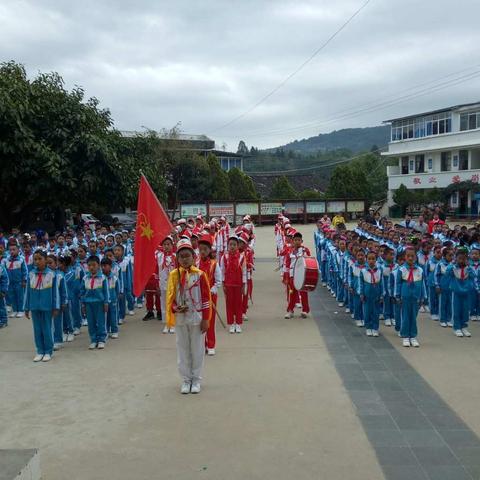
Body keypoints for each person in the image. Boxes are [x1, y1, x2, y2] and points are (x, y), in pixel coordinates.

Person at [166, 238, 211, 394]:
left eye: (187, 255)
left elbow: (206, 299)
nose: (184, 259)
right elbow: (170, 297)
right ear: (177, 259)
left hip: (196, 318)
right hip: (180, 318)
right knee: (183, 349)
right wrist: (174, 308)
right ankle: (186, 380)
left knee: (197, 349)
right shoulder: (173, 275)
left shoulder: (200, 275)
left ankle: (196, 379)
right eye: (181, 256)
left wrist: (206, 319)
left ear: (194, 256)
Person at [24, 249, 60, 362]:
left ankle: (48, 351)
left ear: (45, 260)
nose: (37, 261)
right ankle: (40, 350)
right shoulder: (31, 274)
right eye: (35, 259)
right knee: (37, 329)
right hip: (34, 306)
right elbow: (27, 292)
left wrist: (55, 307)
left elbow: (55, 293)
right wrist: (26, 307)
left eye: (40, 259)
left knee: (47, 329)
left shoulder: (51, 274)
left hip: (47, 306)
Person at [394, 247, 427, 347]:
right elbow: (398, 284)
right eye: (408, 256)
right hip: (405, 296)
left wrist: (423, 297)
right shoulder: (401, 269)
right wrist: (398, 296)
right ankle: (405, 336)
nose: (410, 258)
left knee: (413, 316)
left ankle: (412, 336)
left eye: (412, 256)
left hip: (416, 297)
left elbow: (422, 284)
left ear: (416, 257)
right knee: (405, 316)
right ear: (405, 257)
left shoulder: (420, 270)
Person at [197, 234, 221, 356]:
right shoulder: (195, 263)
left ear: (209, 250)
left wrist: (212, 290)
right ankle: (202, 345)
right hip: (198, 297)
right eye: (200, 249)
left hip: (211, 297)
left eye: (205, 249)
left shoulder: (214, 264)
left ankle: (211, 344)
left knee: (210, 322)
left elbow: (218, 281)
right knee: (199, 321)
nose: (202, 252)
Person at [80, 255, 109, 350]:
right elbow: (82, 292)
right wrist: (83, 303)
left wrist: (106, 302)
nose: (91, 267)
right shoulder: (85, 278)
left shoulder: (103, 278)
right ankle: (93, 340)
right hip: (88, 304)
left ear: (99, 266)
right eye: (89, 265)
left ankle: (101, 339)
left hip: (99, 303)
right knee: (91, 323)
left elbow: (106, 291)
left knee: (100, 322)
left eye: (94, 265)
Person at [446, 247, 476, 337]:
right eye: (460, 258)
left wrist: (469, 267)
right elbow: (447, 273)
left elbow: (474, 276)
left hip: (466, 293)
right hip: (456, 293)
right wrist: (452, 264)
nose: (462, 260)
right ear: (456, 258)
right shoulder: (453, 268)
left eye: (464, 258)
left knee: (465, 310)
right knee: (456, 310)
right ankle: (457, 327)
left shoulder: (469, 268)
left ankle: (464, 326)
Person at [221, 235, 247, 333]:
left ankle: (238, 323)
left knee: (238, 304)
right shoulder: (224, 257)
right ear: (227, 246)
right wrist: (223, 284)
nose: (232, 246)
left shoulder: (241, 257)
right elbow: (223, 271)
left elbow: (244, 271)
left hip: (238, 284)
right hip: (228, 284)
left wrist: (244, 284)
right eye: (230, 244)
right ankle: (231, 323)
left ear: (238, 246)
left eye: (234, 245)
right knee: (229, 305)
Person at [284, 231, 311, 319]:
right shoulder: (289, 252)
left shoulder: (305, 250)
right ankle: (290, 310)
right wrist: (286, 277)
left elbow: (309, 262)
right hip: (292, 275)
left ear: (302, 241)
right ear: (292, 241)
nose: (297, 242)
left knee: (303, 293)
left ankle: (305, 310)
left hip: (302, 275)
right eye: (295, 240)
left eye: (299, 240)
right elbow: (287, 265)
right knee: (292, 293)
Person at [359, 250, 383, 337]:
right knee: (367, 311)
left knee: (376, 312)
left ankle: (375, 328)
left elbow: (381, 283)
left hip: (376, 293)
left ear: (376, 260)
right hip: (366, 294)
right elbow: (361, 283)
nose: (371, 261)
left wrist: (381, 295)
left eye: (373, 259)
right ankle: (368, 327)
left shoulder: (379, 270)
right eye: (369, 259)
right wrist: (361, 293)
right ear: (366, 259)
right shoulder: (363, 271)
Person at [157, 236, 176, 333]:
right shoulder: (159, 256)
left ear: (172, 245)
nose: (166, 246)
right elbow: (157, 270)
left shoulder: (175, 256)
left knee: (173, 304)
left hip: (173, 284)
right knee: (164, 304)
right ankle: (166, 323)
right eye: (164, 244)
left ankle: (172, 323)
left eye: (168, 244)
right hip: (163, 284)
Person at [3, 243, 27, 318]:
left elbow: (24, 271)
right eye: (10, 250)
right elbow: (4, 271)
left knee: (20, 296)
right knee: (12, 296)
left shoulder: (21, 259)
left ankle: (21, 310)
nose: (12, 251)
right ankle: (15, 310)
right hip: (10, 282)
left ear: (18, 250)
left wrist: (24, 280)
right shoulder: (6, 260)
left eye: (14, 249)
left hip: (19, 282)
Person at [101, 257, 120, 339]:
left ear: (110, 267)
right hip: (104, 301)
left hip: (113, 301)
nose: (103, 268)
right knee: (105, 317)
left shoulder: (114, 278)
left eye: (105, 266)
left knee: (113, 316)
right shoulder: (100, 278)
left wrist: (116, 298)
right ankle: (107, 330)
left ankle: (114, 330)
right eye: (102, 266)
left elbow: (117, 289)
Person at [0, 262, 9, 328]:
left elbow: (5, 279)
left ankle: (4, 321)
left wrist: (3, 290)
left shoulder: (1, 267)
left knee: (1, 307)